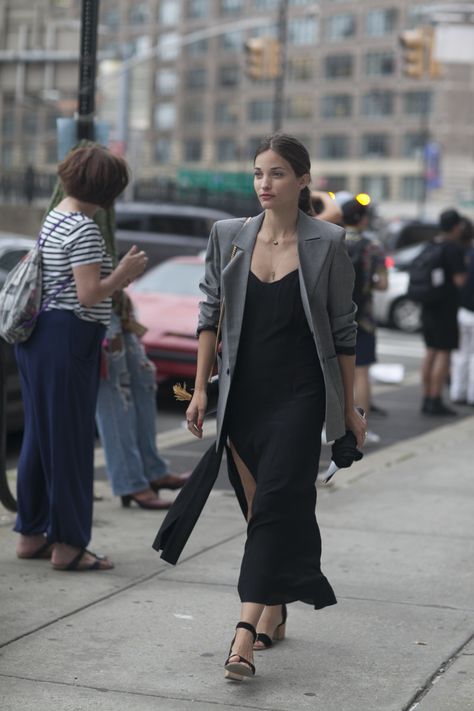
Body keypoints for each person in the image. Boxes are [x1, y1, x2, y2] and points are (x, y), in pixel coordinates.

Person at [185, 133, 366, 680]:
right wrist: (199, 388)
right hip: (244, 394)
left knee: (275, 504)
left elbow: (343, 331)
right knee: (260, 510)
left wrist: (350, 407)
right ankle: (275, 607)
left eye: (278, 174)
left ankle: (243, 633)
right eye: (259, 173)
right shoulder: (229, 236)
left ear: (303, 179)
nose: (265, 184)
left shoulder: (328, 242)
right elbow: (210, 312)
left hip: (300, 396)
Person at [14, 144, 147, 571]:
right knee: (70, 442)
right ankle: (69, 544)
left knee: (40, 435)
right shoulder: (85, 229)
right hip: (69, 336)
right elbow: (90, 293)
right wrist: (123, 276)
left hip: (38, 335)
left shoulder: (55, 217)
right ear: (107, 191)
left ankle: (31, 532)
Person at [95, 300, 190, 509]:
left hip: (115, 308)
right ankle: (130, 481)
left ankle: (152, 470)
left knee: (143, 379)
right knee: (115, 396)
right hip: (96, 309)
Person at [340, 198, 388, 444]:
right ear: (364, 219)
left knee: (333, 374)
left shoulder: (333, 240)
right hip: (364, 319)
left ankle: (329, 427)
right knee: (361, 374)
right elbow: (383, 284)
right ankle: (361, 430)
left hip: (335, 317)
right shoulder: (373, 246)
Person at [420, 208, 467, 415]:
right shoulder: (452, 249)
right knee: (443, 353)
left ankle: (426, 397)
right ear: (456, 226)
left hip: (428, 306)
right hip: (445, 309)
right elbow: (460, 280)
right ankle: (435, 398)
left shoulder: (431, 244)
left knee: (430, 352)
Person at [450, 218, 474, 405]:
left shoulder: (466, 253)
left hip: (463, 309)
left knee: (461, 354)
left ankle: (457, 392)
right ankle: (472, 394)